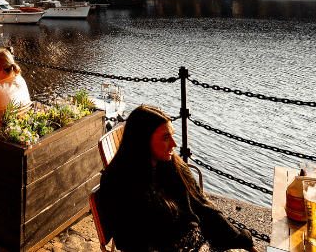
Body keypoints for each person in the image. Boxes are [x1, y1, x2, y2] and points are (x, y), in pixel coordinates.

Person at [95, 105, 255, 252]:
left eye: (172, 135)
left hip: (200, 243)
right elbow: (134, 243)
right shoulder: (121, 183)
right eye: (165, 138)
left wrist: (241, 241)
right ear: (142, 141)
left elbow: (203, 207)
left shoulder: (168, 165)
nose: (174, 144)